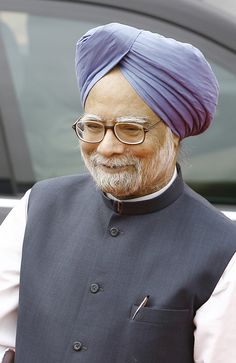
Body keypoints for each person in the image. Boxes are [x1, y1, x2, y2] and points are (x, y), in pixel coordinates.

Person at [0, 22, 236, 363]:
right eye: (93, 127)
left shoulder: (223, 253)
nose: (107, 147)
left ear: (175, 134)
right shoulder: (38, 208)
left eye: (130, 129)